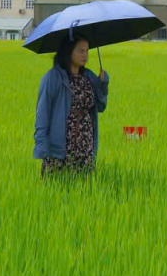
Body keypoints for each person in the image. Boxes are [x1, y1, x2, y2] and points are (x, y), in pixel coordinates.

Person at [32, 33, 109, 176]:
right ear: (68, 51)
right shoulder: (53, 78)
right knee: (57, 190)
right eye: (80, 50)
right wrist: (41, 146)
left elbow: (101, 106)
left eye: (87, 51)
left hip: (85, 145)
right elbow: (42, 113)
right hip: (60, 147)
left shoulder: (89, 77)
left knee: (83, 191)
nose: (85, 55)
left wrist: (103, 85)